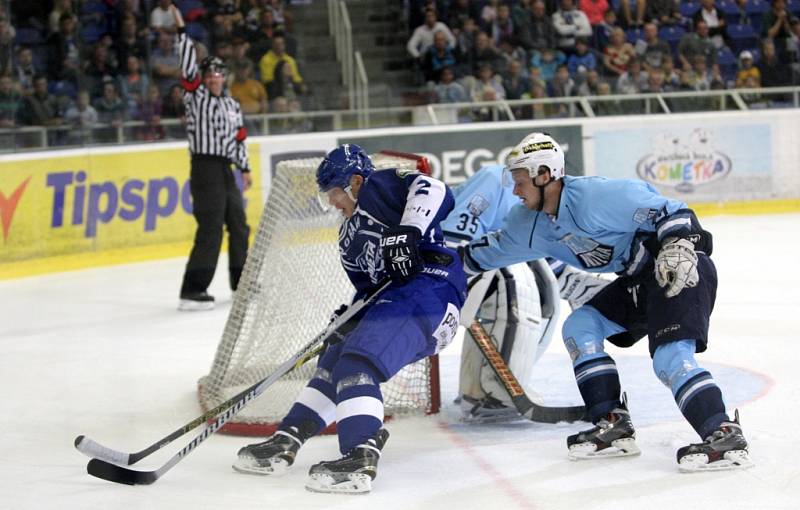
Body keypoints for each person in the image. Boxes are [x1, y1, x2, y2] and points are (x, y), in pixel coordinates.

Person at [460, 132, 752, 472]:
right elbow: (480, 255)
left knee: (670, 356)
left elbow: (674, 212)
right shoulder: (529, 224)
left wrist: (676, 245)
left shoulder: (597, 196)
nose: (514, 191)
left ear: (544, 175)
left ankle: (723, 432)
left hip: (676, 268)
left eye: (521, 182)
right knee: (581, 326)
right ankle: (611, 423)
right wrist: (431, 266)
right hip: (636, 281)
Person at [233, 144, 467, 493]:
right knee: (336, 359)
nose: (331, 202)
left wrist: (411, 230)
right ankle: (287, 439)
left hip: (429, 290)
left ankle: (360, 454)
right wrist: (350, 317)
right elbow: (369, 289)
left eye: (335, 192)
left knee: (357, 365)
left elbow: (433, 188)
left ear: (355, 181)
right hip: (399, 303)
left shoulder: (379, 188)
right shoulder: (348, 239)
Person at [170, 4, 252, 311]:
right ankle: (192, 290)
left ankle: (240, 282)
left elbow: (240, 137)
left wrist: (244, 168)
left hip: (226, 168)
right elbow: (187, 67)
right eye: (210, 73)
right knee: (211, 227)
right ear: (204, 78)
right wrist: (182, 31)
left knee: (239, 224)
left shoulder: (231, 104)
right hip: (204, 167)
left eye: (219, 73)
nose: (215, 77)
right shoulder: (197, 97)